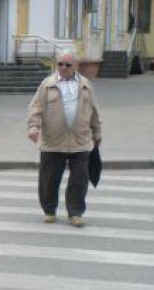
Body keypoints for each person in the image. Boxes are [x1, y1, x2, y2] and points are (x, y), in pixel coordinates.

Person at [26, 50, 102, 228]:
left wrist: (97, 133)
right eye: (60, 64)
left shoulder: (85, 85)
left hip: (80, 141)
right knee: (49, 179)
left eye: (68, 65)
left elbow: (94, 111)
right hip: (53, 141)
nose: (63, 68)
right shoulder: (47, 84)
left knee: (79, 179)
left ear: (76, 66)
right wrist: (33, 127)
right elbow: (35, 108)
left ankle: (75, 213)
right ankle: (49, 210)